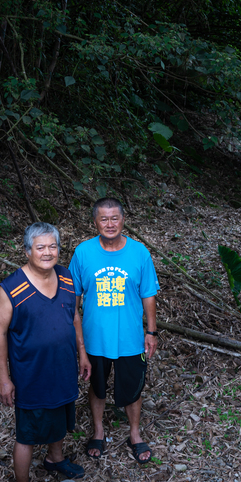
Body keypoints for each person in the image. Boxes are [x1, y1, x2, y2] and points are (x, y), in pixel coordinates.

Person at [0, 222, 91, 482]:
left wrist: (82, 353)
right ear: (27, 251)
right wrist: (4, 378)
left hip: (63, 368)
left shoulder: (67, 278)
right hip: (30, 375)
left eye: (53, 246)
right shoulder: (11, 289)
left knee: (60, 413)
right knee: (27, 435)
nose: (48, 252)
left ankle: (55, 458)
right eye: (40, 247)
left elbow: (73, 317)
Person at [69, 197, 160, 464]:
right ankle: (98, 430)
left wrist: (151, 332)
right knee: (97, 387)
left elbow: (148, 295)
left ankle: (135, 433)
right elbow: (73, 298)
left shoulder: (139, 252)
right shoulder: (83, 253)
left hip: (130, 337)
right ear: (95, 222)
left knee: (133, 389)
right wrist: (78, 340)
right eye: (103, 219)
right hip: (95, 338)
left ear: (123, 220)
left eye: (115, 218)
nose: (110, 224)